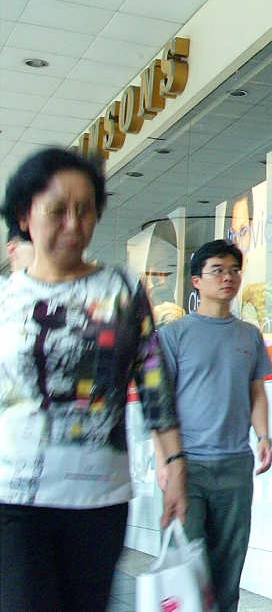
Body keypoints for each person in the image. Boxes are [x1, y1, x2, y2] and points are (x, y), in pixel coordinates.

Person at [0, 147, 186, 612]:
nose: (73, 224)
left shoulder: (121, 290)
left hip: (98, 499)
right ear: (25, 214)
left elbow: (152, 381)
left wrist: (176, 464)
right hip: (13, 501)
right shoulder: (6, 301)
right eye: (58, 210)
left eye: (86, 210)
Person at [159, 240, 272, 612]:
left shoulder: (249, 335)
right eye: (218, 270)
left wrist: (264, 436)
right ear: (197, 280)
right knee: (190, 568)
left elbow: (256, 391)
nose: (228, 278)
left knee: (229, 569)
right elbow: (159, 407)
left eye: (234, 270)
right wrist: (164, 462)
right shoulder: (174, 336)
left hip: (236, 466)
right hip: (188, 466)